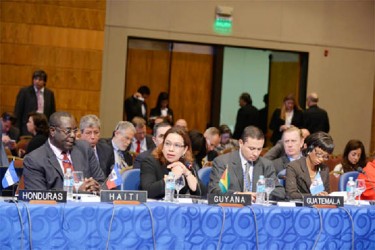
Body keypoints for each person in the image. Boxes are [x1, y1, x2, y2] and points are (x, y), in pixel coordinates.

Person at [23, 111, 105, 192]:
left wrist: (94, 186)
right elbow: (38, 195)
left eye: (75, 131)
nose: (73, 135)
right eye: (68, 131)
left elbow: (101, 182)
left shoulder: (84, 149)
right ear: (52, 131)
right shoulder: (34, 159)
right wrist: (75, 190)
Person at [208, 126, 285, 201]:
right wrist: (240, 196)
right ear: (241, 143)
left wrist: (258, 195)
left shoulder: (266, 165)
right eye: (252, 149)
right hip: (232, 210)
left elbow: (279, 192)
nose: (256, 153)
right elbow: (215, 191)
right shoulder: (223, 162)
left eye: (259, 149)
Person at [140, 127, 203, 199]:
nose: (171, 149)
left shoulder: (186, 165)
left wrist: (187, 173)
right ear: (162, 146)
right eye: (167, 144)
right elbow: (147, 192)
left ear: (184, 150)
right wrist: (171, 177)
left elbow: (202, 195)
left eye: (177, 145)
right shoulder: (150, 162)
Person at [285, 132, 334, 200]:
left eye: (325, 156)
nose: (321, 159)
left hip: (320, 208)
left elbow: (326, 191)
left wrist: (325, 194)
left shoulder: (324, 169)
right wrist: (314, 196)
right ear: (309, 149)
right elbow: (291, 194)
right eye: (319, 154)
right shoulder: (294, 166)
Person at [14, 70, 56, 136]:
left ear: (44, 81)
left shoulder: (49, 94)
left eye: (40, 79)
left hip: (43, 128)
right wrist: (17, 130)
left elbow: (52, 112)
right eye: (35, 79)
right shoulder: (24, 92)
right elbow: (18, 111)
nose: (37, 81)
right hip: (27, 128)